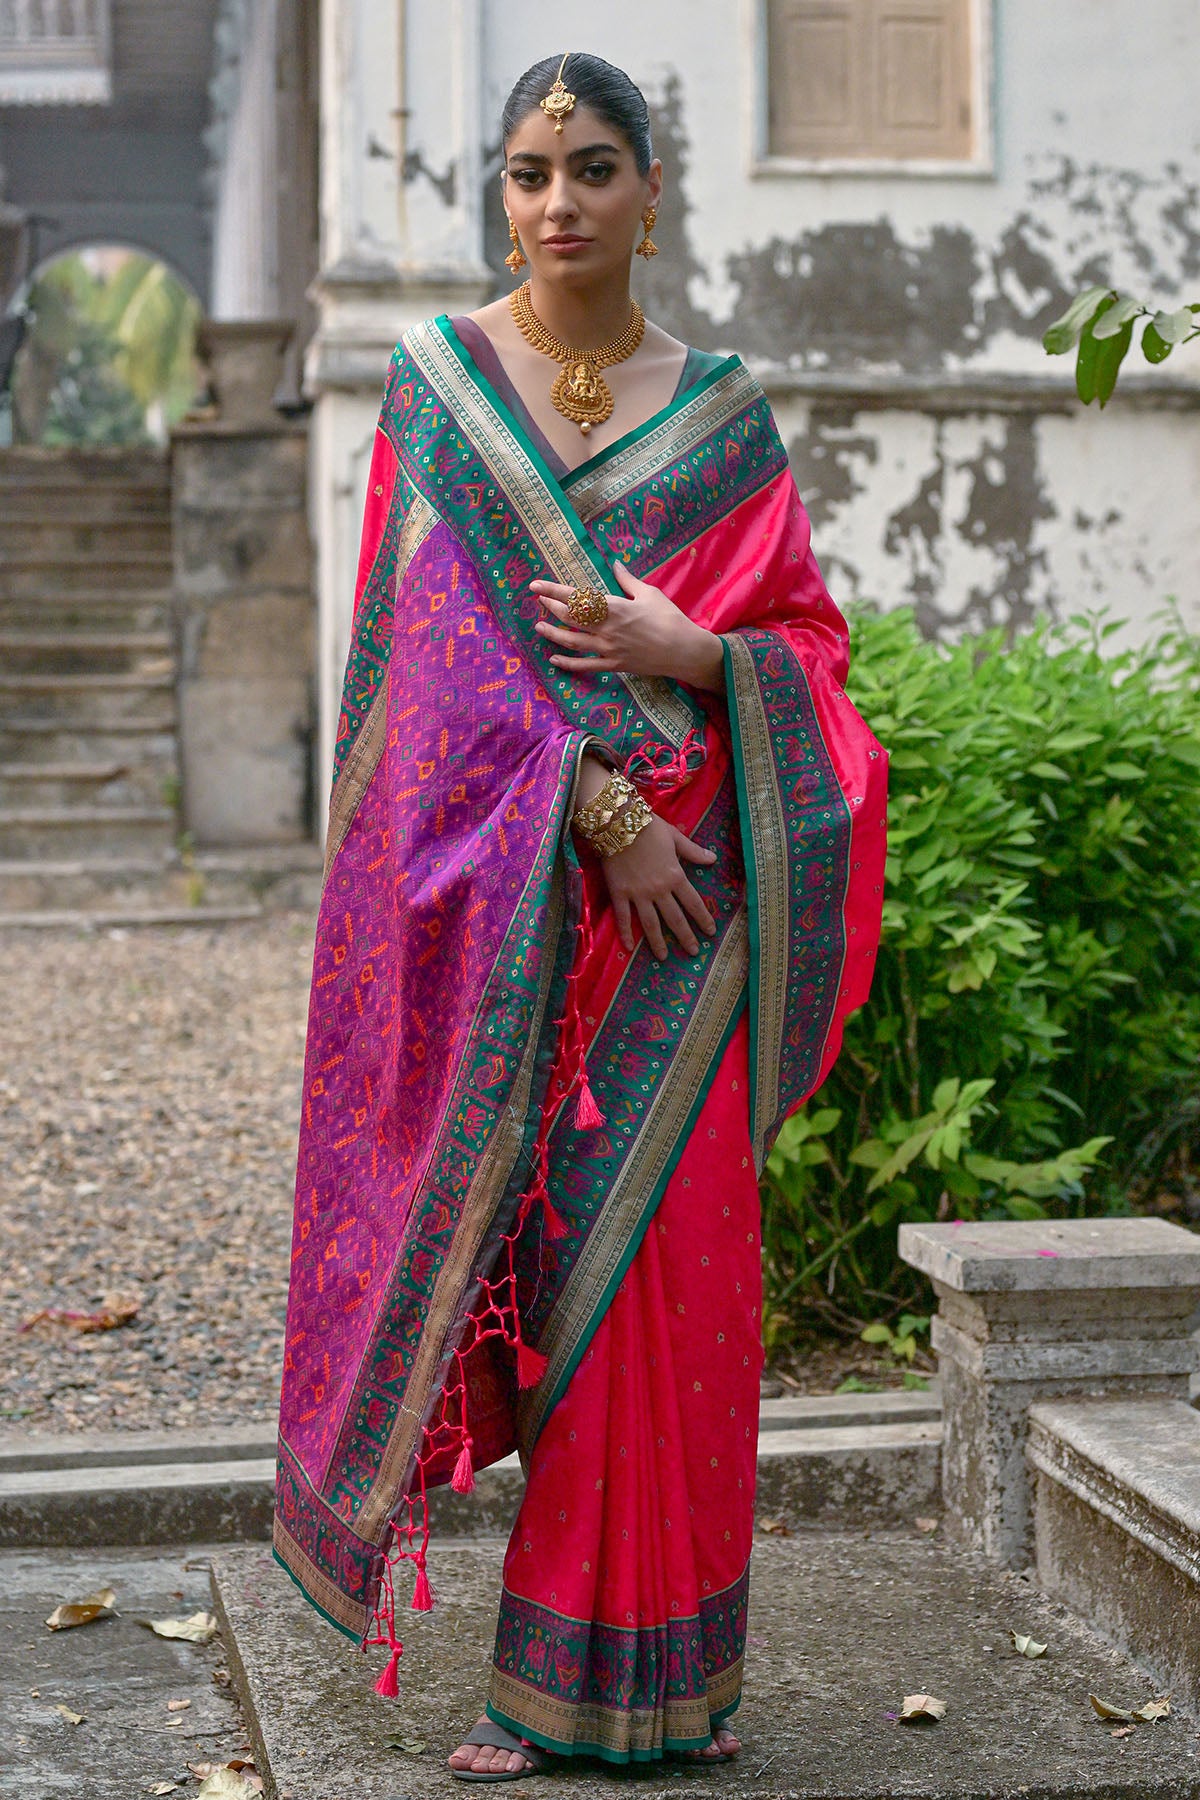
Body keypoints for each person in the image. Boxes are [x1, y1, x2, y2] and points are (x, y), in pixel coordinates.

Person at [273, 49, 887, 1781]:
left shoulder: (727, 409)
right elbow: (423, 686)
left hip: (696, 938)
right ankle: (537, 1679)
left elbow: (815, 659)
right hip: (526, 911)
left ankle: (639, 1684)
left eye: (594, 169)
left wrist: (704, 661)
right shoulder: (440, 388)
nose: (559, 204)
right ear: (506, 194)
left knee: (658, 1300)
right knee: (530, 1275)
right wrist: (602, 808)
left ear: (651, 189)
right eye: (532, 172)